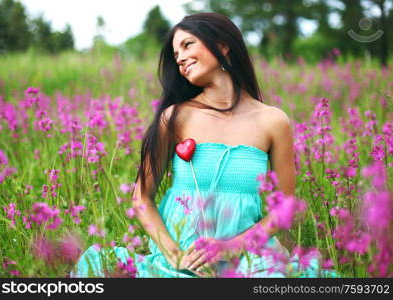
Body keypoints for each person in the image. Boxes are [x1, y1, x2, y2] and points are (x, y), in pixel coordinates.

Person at [70, 12, 339, 278]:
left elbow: (285, 206)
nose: (181, 58)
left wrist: (230, 247)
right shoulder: (175, 117)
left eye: (188, 45)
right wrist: (175, 256)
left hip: (246, 258)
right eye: (176, 55)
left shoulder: (273, 121)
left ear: (222, 45)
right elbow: (141, 198)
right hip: (186, 258)